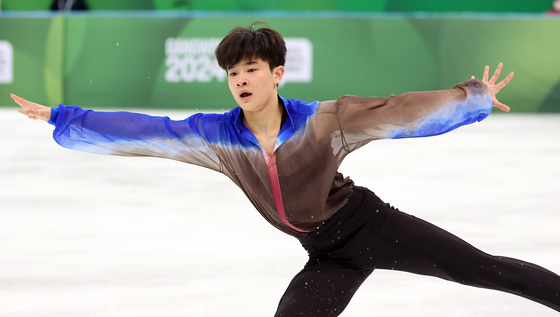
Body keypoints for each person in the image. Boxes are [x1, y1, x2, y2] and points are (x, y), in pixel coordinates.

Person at [11, 23, 560, 316]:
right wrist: (64, 115)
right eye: (232, 73)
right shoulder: (218, 135)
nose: (240, 81)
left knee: (486, 271)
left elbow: (398, 109)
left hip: (372, 227)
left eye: (251, 69)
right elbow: (145, 130)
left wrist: (473, 97)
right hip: (325, 254)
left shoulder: (323, 121)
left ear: (276, 73)